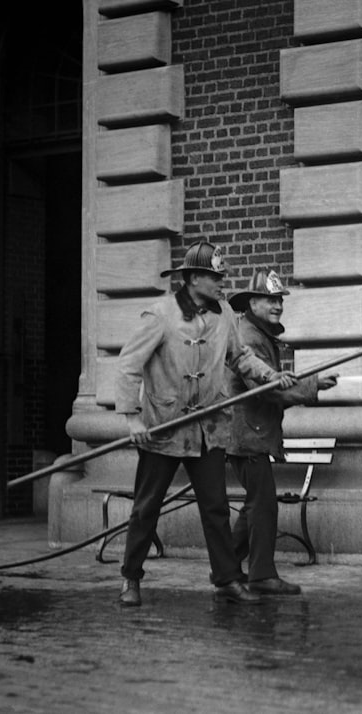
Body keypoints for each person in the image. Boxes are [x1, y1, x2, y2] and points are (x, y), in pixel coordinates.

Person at [114, 241, 297, 607]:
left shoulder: (224, 315)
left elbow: (241, 358)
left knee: (214, 508)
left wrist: (270, 376)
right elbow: (128, 365)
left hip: (209, 429)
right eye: (214, 276)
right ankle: (131, 578)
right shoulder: (160, 314)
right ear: (194, 278)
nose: (221, 282)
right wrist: (132, 418)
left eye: (221, 276)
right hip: (163, 430)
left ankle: (227, 579)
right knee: (147, 507)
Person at [226, 269, 338, 596]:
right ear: (251, 302)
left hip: (252, 434)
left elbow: (274, 384)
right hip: (247, 435)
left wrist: (305, 384)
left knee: (255, 506)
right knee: (263, 506)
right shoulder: (249, 336)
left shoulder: (258, 333)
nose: (276, 305)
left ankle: (226, 570)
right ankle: (260, 575)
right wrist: (312, 386)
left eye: (279, 299)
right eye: (268, 299)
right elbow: (265, 390)